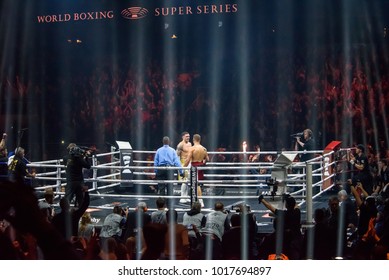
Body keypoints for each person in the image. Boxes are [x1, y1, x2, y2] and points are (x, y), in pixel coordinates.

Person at [258, 194, 303, 259]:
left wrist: (262, 200)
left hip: (287, 244)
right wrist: (288, 198)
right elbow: (297, 206)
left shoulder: (284, 214)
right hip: (297, 242)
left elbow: (271, 208)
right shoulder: (297, 212)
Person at [63, 143, 91, 207]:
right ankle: (79, 213)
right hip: (78, 182)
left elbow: (67, 162)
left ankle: (65, 213)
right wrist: (86, 157)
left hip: (70, 181)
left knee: (67, 199)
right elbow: (88, 166)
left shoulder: (65, 158)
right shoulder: (79, 160)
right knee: (80, 200)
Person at [184, 134, 209, 206]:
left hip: (194, 167)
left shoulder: (192, 148)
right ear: (200, 140)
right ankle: (196, 200)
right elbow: (207, 159)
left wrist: (183, 168)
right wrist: (203, 161)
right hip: (201, 166)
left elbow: (188, 159)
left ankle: (200, 201)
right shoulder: (204, 149)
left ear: (193, 140)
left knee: (196, 184)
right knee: (196, 184)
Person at [176, 131, 192, 203]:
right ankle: (182, 197)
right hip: (183, 163)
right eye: (186, 136)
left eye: (188, 136)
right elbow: (177, 156)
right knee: (184, 180)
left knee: (188, 181)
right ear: (183, 137)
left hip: (189, 162)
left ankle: (185, 196)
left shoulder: (190, 144)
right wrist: (179, 166)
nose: (188, 137)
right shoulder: (180, 145)